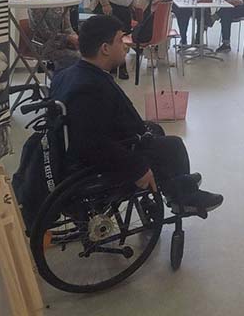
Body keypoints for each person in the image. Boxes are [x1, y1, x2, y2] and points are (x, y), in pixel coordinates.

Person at [50, 14, 223, 215]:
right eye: (120, 40)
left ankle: (175, 182)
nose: (125, 46)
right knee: (173, 145)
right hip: (97, 161)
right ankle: (181, 196)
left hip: (80, 145)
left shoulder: (67, 75)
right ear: (105, 48)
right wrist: (137, 168)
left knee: (155, 129)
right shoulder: (90, 88)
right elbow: (92, 144)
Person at [28, 0, 80, 72]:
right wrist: (68, 38)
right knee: (79, 58)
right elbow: (45, 34)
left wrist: (75, 38)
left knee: (90, 54)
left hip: (62, 43)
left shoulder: (62, 2)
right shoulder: (36, 5)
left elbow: (68, 27)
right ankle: (62, 79)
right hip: (43, 45)